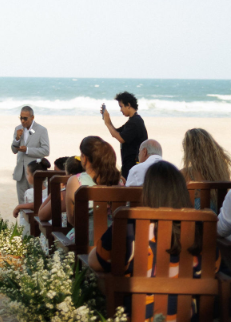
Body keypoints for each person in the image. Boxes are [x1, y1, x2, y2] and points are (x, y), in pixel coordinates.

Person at [90, 159, 219, 316]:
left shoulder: (128, 225)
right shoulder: (202, 228)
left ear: (147, 192)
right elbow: (214, 268)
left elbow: (94, 262)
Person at [65, 136, 121, 240]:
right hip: (115, 238)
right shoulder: (119, 180)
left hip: (86, 238)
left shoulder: (75, 181)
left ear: (85, 158)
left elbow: (72, 220)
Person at [101, 91, 147, 178]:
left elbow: (121, 138)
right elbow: (116, 132)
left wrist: (107, 123)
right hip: (129, 164)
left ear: (128, 105)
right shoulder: (133, 120)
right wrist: (107, 119)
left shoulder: (135, 122)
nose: (120, 110)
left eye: (121, 106)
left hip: (133, 165)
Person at [11, 106, 50, 204]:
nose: (22, 121)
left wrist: (28, 150)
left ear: (32, 117)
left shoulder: (41, 130)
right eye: (21, 118)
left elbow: (46, 150)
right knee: (22, 203)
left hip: (35, 172)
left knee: (38, 202)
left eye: (25, 118)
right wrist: (17, 139)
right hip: (21, 173)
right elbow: (13, 150)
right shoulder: (18, 129)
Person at [13, 157, 50, 232]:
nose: (27, 176)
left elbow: (36, 204)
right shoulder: (49, 191)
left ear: (34, 176)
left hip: (32, 226)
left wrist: (19, 206)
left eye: (28, 174)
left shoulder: (29, 192)